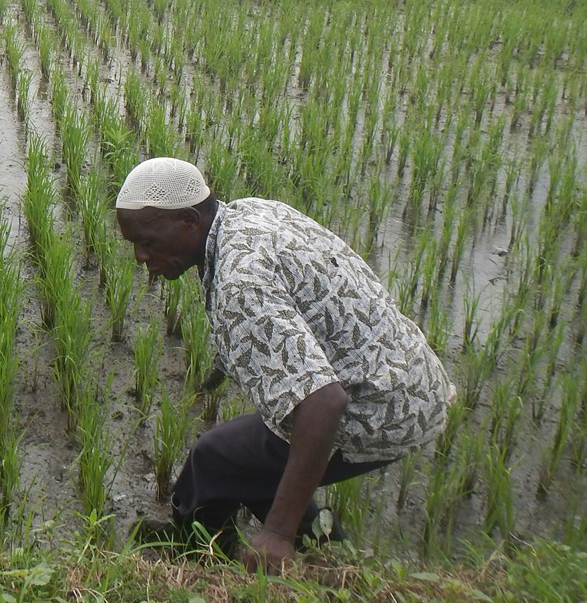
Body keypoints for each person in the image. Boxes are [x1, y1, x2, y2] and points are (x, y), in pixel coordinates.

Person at [117, 157, 455, 574]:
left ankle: (207, 560)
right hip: (411, 376)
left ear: (188, 220)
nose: (139, 257)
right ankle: (331, 558)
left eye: (147, 241)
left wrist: (277, 531)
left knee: (216, 459)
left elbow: (324, 403)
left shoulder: (241, 283)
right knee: (246, 462)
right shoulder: (245, 214)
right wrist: (227, 360)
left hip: (381, 407)